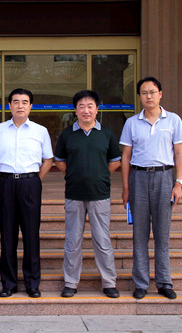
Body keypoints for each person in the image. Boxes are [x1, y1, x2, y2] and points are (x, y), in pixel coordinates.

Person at [120, 76, 182, 300]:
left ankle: (164, 282)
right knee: (139, 234)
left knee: (162, 233)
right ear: (139, 97)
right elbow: (126, 156)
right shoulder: (132, 123)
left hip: (165, 177)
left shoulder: (174, 120)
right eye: (144, 93)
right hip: (138, 178)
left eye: (152, 92)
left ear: (160, 94)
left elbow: (179, 153)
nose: (148, 96)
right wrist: (126, 188)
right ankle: (140, 283)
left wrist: (178, 182)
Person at [54, 90, 121, 299]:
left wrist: (100, 175)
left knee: (102, 241)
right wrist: (75, 175)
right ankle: (71, 282)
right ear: (75, 110)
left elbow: (115, 161)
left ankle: (109, 282)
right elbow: (60, 162)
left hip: (100, 195)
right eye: (81, 106)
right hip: (74, 195)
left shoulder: (106, 134)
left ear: (97, 109)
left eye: (90, 106)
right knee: (72, 241)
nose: (86, 110)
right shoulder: (66, 134)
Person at [0, 88, 54, 298]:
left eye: (24, 102)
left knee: (31, 234)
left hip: (30, 184)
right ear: (9, 105)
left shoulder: (40, 131)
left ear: (31, 106)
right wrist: (5, 178)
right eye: (16, 102)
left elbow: (48, 160)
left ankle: (32, 283)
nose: (20, 106)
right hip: (6, 183)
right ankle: (8, 284)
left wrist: (34, 180)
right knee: (7, 235)